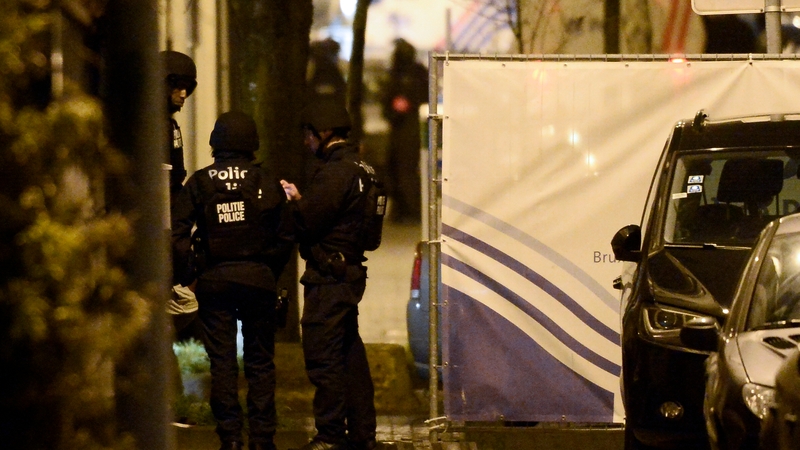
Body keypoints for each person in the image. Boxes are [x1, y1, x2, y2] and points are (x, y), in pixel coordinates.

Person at [172, 111, 293, 450]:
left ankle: (230, 439)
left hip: (215, 281)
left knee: (222, 363)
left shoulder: (200, 181)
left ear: (215, 144)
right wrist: (268, 269)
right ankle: (262, 439)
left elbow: (178, 231)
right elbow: (285, 234)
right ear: (252, 144)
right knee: (260, 362)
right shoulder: (264, 181)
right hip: (258, 281)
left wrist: (191, 272)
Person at [280, 99, 378, 450]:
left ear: (323, 133)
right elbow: (338, 218)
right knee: (349, 354)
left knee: (324, 357)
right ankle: (363, 433)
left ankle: (330, 436)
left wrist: (292, 205)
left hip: (329, 277)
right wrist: (304, 199)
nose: (306, 141)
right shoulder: (362, 168)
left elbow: (305, 221)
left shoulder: (336, 171)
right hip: (348, 271)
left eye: (308, 134)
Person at [379, 38, 428, 223]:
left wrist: (399, 107)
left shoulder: (407, 74)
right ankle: (402, 210)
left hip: (408, 129)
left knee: (405, 171)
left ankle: (411, 210)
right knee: (397, 170)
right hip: (404, 129)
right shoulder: (412, 73)